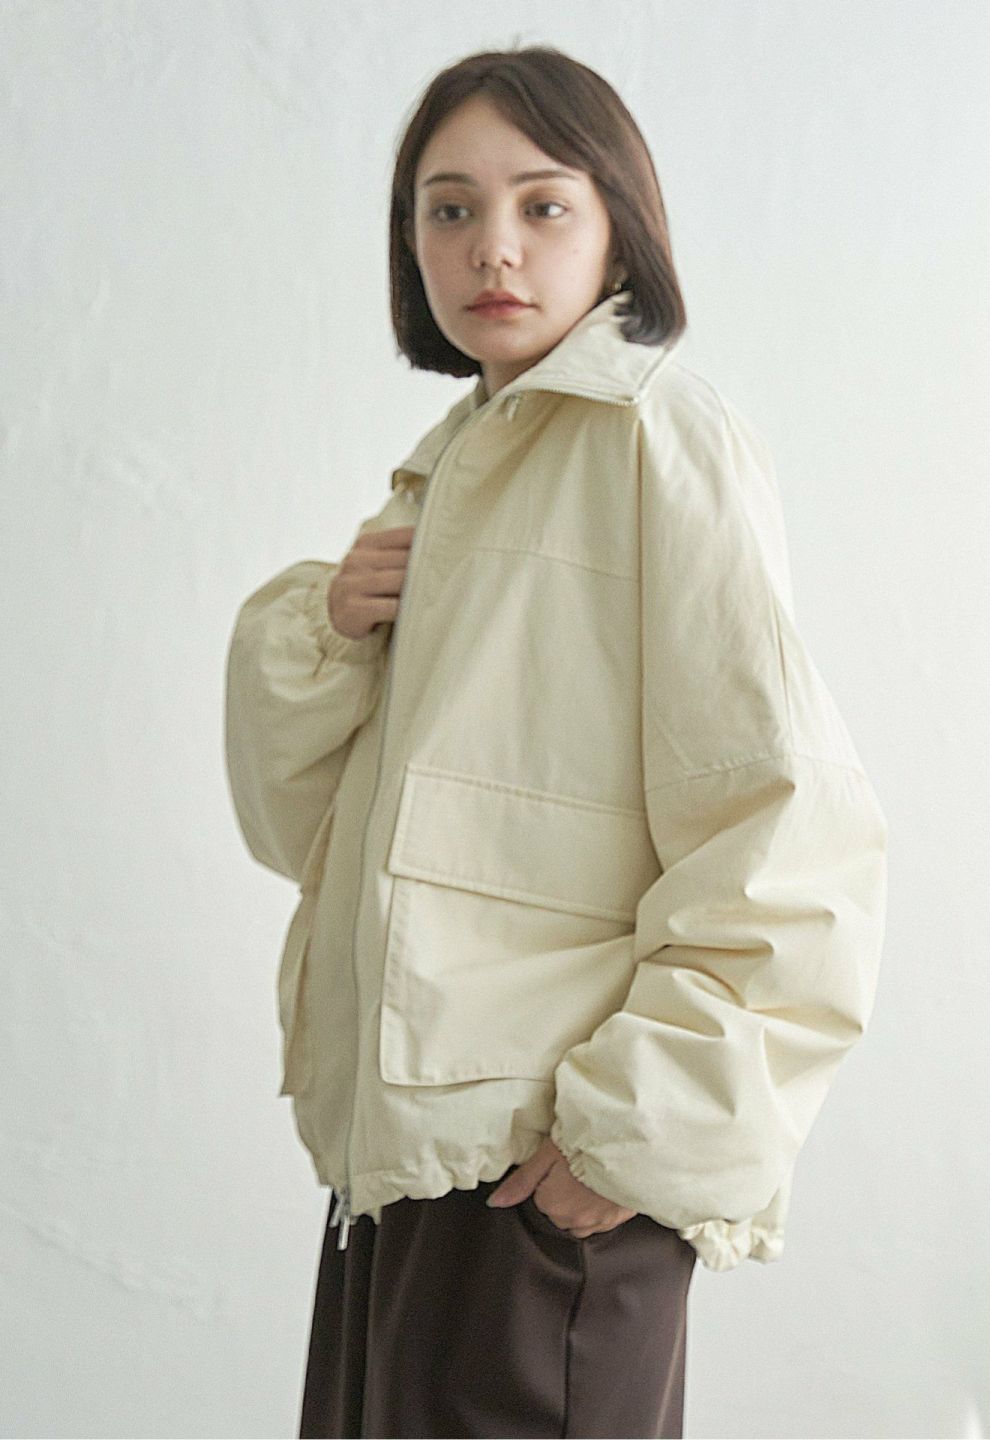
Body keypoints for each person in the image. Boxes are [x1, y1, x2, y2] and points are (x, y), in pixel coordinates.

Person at [223, 43, 888, 1440]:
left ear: (618, 225)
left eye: (542, 205)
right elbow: (314, 839)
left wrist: (630, 1137)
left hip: (546, 1175)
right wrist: (327, 636)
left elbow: (786, 827)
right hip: (412, 1172)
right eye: (449, 210)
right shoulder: (450, 472)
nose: (493, 248)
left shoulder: (657, 437)